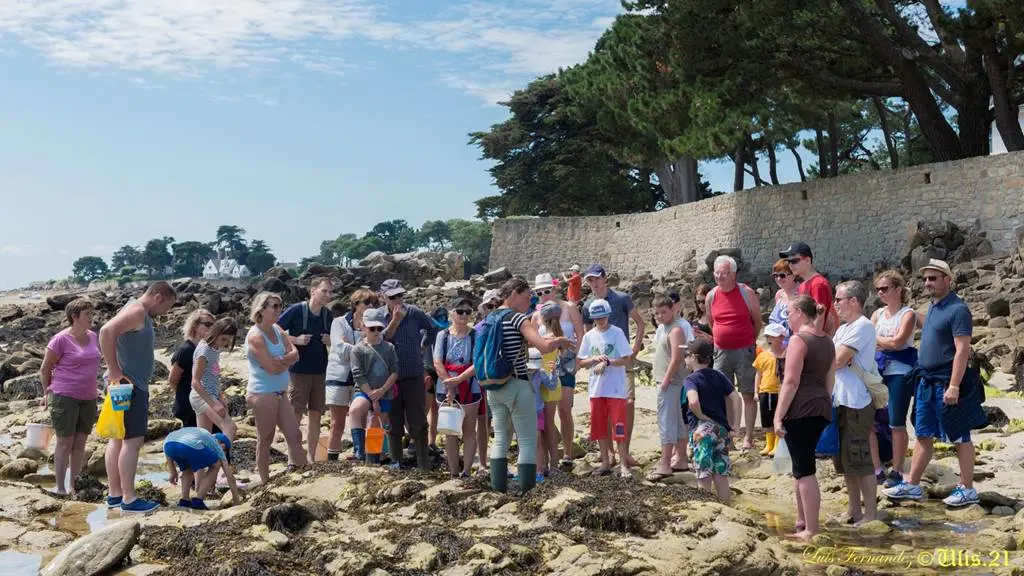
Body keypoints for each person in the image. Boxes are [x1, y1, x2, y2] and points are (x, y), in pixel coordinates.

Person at [883, 259, 982, 508]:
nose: (928, 283)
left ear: (947, 279)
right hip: (926, 382)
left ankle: (968, 488)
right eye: (925, 278)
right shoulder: (934, 307)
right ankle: (913, 485)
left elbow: (962, 350)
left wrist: (955, 386)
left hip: (947, 381)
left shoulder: (958, 309)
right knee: (924, 434)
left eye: (933, 278)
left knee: (960, 435)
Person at [484, 277, 573, 493]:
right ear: (514, 293)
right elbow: (542, 346)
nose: (529, 302)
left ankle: (498, 487)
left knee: (501, 437)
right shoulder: (517, 319)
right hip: (516, 383)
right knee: (527, 438)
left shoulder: (489, 318)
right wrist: (559, 342)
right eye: (526, 297)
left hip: (493, 385)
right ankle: (527, 488)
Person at [99, 281, 177, 513]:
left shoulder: (133, 310)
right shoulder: (137, 311)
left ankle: (115, 494)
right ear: (158, 297)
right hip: (130, 387)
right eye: (168, 306)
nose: (166, 312)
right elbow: (105, 332)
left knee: (117, 438)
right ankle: (129, 499)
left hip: (124, 386)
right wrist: (114, 370)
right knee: (131, 441)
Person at [773, 295, 835, 541]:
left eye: (789, 313)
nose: (787, 317)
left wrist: (778, 416)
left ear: (800, 312)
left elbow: (790, 381)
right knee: (800, 466)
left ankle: (811, 529)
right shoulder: (828, 341)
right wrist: (824, 403)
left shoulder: (799, 340)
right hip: (820, 406)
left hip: (800, 409)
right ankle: (802, 520)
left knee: (805, 469)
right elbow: (830, 380)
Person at [582, 264, 645, 466]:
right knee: (604, 406)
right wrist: (592, 360)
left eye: (596, 278)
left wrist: (634, 350)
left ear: (605, 278)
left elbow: (640, 322)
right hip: (600, 365)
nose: (593, 283)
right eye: (590, 280)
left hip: (622, 359)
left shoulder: (621, 298)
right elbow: (587, 334)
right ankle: (609, 453)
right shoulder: (587, 306)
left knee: (628, 403)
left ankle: (624, 452)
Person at [39, 299, 101, 496]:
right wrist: (46, 392)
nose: (92, 317)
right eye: (87, 314)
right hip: (64, 396)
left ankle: (75, 486)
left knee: (81, 443)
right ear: (74, 317)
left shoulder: (93, 336)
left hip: (90, 397)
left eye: (92, 313)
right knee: (65, 443)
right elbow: (45, 368)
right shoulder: (60, 339)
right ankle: (60, 487)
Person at [246, 292, 307, 484]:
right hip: (262, 392)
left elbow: (295, 354)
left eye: (280, 305)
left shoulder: (278, 330)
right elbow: (270, 369)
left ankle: (305, 473)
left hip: (280, 391)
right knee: (266, 438)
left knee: (294, 434)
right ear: (261, 309)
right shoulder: (256, 336)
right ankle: (265, 481)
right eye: (274, 306)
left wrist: (281, 359)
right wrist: (282, 361)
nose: (279, 310)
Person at [832, 280, 879, 525]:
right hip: (841, 400)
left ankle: (870, 514)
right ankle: (853, 510)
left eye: (838, 299)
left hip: (857, 402)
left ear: (854, 301)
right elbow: (835, 359)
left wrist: (839, 357)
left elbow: (837, 360)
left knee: (860, 460)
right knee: (845, 462)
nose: (834, 304)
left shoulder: (862, 326)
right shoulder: (843, 329)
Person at [379, 279, 438, 470]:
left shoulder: (414, 312)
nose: (397, 300)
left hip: (413, 374)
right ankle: (396, 463)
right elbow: (381, 339)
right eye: (392, 297)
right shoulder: (379, 316)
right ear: (383, 298)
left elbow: (433, 328)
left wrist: (423, 345)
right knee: (394, 423)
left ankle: (423, 466)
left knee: (418, 422)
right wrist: (395, 321)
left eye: (400, 295)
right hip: (390, 378)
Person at [704, 255, 762, 452]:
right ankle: (728, 435)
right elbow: (712, 322)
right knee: (724, 394)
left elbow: (757, 320)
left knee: (747, 394)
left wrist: (749, 342)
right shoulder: (711, 295)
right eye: (717, 273)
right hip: (721, 351)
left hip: (744, 349)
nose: (720, 277)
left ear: (734, 274)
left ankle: (748, 436)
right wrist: (720, 340)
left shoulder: (746, 292)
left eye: (725, 273)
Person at [277, 276, 334, 464]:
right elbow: (276, 330)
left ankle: (311, 458)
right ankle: (293, 458)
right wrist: (295, 340)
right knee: (295, 414)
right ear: (313, 291)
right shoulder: (296, 310)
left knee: (316, 414)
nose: (328, 295)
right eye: (324, 291)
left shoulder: (328, 315)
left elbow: (336, 339)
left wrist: (330, 341)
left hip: (320, 371)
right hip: (298, 371)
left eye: (330, 292)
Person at [871, 270, 918, 488]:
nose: (880, 293)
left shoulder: (908, 314)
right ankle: (877, 466)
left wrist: (879, 340)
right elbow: (870, 340)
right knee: (872, 419)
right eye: (878, 289)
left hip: (900, 372)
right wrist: (885, 341)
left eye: (885, 288)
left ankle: (898, 470)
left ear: (898, 289)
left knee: (896, 422)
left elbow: (898, 343)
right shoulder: (878, 314)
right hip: (879, 370)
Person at [578, 298, 634, 478]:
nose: (600, 320)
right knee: (600, 427)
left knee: (619, 427)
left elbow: (626, 359)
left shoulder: (617, 333)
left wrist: (608, 361)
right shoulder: (589, 336)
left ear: (608, 315)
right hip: (596, 389)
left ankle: (624, 464)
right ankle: (605, 461)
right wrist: (595, 360)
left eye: (603, 317)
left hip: (616, 390)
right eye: (597, 317)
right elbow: (581, 362)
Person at [532, 273, 583, 468]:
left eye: (547, 290)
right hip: (546, 366)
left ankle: (568, 452)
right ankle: (549, 454)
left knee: (564, 410)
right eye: (539, 292)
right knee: (546, 413)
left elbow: (580, 334)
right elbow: (533, 342)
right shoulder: (536, 315)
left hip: (567, 363)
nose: (544, 294)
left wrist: (578, 361)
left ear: (554, 289)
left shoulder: (569, 308)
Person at [682, 339, 741, 502]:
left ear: (693, 357)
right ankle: (726, 505)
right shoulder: (718, 375)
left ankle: (706, 505)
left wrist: (700, 416)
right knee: (720, 472)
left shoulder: (691, 379)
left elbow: (693, 401)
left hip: (702, 431)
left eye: (686, 355)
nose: (684, 358)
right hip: (721, 429)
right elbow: (735, 397)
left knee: (703, 472)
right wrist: (735, 425)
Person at [327, 288, 379, 461]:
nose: (370, 306)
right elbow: (340, 349)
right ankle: (332, 461)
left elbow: (376, 348)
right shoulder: (339, 323)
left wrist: (354, 347)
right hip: (339, 377)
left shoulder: (373, 325)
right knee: (337, 423)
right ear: (356, 304)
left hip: (364, 379)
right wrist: (362, 348)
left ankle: (367, 455)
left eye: (374, 303)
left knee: (368, 417)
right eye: (367, 303)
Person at [434, 297, 482, 477]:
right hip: (445, 386)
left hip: (470, 386)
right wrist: (449, 384)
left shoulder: (475, 335)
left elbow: (478, 361)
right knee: (450, 430)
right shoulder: (443, 335)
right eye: (460, 311)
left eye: (468, 312)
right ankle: (454, 471)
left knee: (470, 429)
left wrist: (459, 379)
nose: (464, 315)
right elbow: (437, 361)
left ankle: (467, 470)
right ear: (452, 313)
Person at [647, 295, 690, 482]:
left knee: (666, 422)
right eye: (656, 313)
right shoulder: (663, 329)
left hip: (671, 382)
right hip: (667, 381)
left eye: (663, 312)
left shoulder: (676, 330)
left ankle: (665, 463)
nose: (660, 316)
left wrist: (666, 379)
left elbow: (677, 357)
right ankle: (681, 458)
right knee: (678, 420)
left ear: (673, 310)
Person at [349, 308, 399, 464]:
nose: (376, 331)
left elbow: (394, 371)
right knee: (355, 409)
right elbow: (358, 374)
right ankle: (359, 449)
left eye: (379, 328)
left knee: (376, 421)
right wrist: (372, 396)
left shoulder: (389, 347)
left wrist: (382, 391)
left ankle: (374, 458)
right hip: (365, 390)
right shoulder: (357, 349)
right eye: (372, 328)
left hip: (385, 391)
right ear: (363, 327)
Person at [163, 422, 241, 510]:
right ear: (222, 445)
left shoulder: (202, 435)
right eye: (226, 450)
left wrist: (172, 471)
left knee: (187, 469)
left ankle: (185, 501)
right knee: (216, 464)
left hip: (169, 445)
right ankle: (198, 500)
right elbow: (229, 477)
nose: (224, 452)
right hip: (189, 445)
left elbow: (166, 443)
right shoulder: (216, 445)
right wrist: (236, 500)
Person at [189, 318, 238, 436]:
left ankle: (212, 453)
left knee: (205, 437)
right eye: (223, 339)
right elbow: (195, 382)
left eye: (229, 340)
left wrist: (220, 397)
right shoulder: (204, 350)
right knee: (230, 428)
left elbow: (213, 376)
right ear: (216, 332)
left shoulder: (214, 348)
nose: (225, 343)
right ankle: (221, 453)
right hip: (202, 397)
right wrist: (214, 404)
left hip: (210, 394)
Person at [780, 242, 838, 336]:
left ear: (807, 260)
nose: (790, 265)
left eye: (795, 261)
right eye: (788, 262)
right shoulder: (803, 285)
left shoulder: (818, 284)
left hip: (812, 340)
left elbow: (818, 319)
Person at [169, 309, 214, 428]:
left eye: (214, 325)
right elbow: (173, 379)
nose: (212, 328)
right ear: (195, 326)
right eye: (207, 324)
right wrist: (182, 395)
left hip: (205, 401)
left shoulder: (206, 348)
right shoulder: (185, 350)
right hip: (189, 404)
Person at [535, 300, 565, 475]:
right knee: (549, 424)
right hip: (553, 381)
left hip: (542, 379)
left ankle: (549, 463)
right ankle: (551, 463)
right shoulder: (558, 334)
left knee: (545, 426)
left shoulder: (543, 335)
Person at [754, 323, 787, 457]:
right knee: (766, 419)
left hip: (779, 391)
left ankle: (778, 443)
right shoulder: (763, 355)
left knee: (778, 417)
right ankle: (770, 443)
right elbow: (758, 374)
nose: (770, 339)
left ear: (781, 337)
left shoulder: (785, 354)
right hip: (765, 391)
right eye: (768, 336)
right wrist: (756, 391)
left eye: (773, 336)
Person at [769, 259, 800, 341]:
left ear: (793, 275)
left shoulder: (801, 294)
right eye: (775, 275)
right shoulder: (779, 295)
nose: (778, 279)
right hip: (778, 344)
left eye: (782, 275)